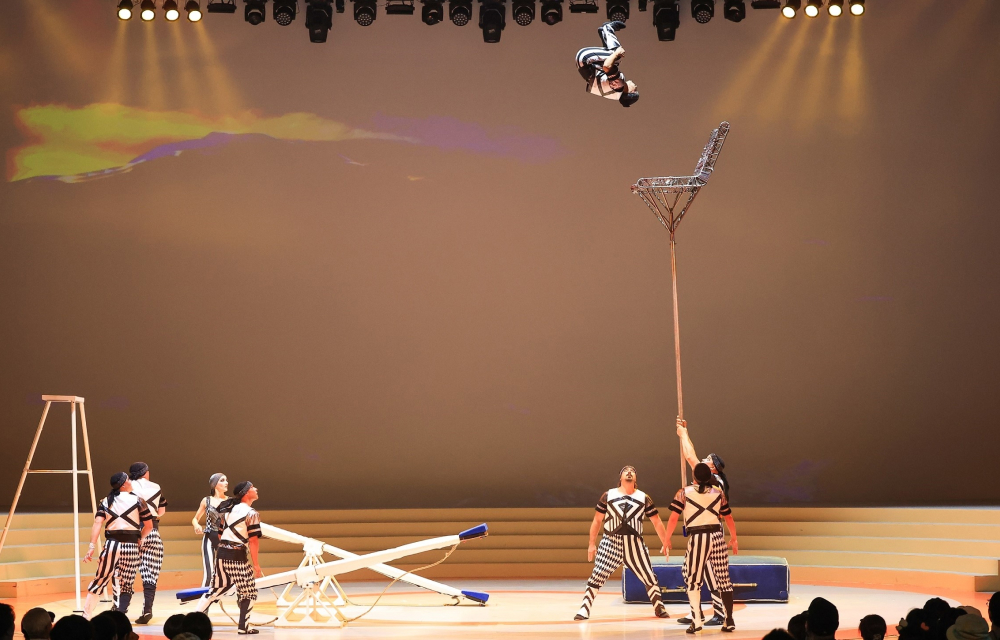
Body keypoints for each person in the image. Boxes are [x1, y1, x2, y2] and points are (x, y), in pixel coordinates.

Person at [574, 466, 671, 621]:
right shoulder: (608, 495)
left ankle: (659, 606)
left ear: (636, 479)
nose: (629, 472)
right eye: (626, 470)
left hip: (635, 544)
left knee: (648, 576)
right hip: (611, 542)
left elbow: (656, 521)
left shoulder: (643, 497)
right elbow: (597, 520)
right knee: (597, 574)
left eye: (632, 471)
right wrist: (591, 543)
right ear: (620, 477)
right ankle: (584, 608)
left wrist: (665, 542)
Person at [664, 463, 738, 633]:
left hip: (698, 537)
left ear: (694, 477)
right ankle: (729, 619)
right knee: (723, 579)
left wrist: (667, 539)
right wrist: (734, 537)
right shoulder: (718, 493)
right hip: (717, 536)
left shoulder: (684, 492)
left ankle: (697, 620)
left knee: (692, 579)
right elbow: (729, 517)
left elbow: (674, 518)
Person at [676, 417, 733, 626]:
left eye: (707, 460)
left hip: (708, 531)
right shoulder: (715, 481)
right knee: (693, 571)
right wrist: (685, 434)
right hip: (706, 529)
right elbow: (692, 456)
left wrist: (683, 434)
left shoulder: (714, 481)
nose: (703, 461)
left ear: (713, 468)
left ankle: (718, 613)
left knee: (710, 573)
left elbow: (690, 457)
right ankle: (697, 613)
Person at [83, 472, 154, 618]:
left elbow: (97, 523)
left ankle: (86, 616)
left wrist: (91, 546)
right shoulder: (138, 501)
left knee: (100, 580)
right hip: (131, 546)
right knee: (127, 584)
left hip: (111, 545)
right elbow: (149, 526)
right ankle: (120, 617)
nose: (131, 481)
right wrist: (140, 538)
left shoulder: (105, 501)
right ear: (123, 484)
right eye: (128, 479)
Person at [196, 481, 263, 635]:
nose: (256, 489)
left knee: (215, 590)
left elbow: (220, 534)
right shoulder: (251, 513)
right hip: (236, 555)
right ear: (246, 493)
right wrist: (256, 565)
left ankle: (191, 620)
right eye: (253, 487)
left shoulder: (228, 510)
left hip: (222, 554)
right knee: (249, 592)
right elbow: (253, 541)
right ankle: (243, 627)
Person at [128, 462, 168, 624]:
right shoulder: (156, 487)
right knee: (150, 575)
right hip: (152, 531)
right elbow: (162, 510)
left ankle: (119, 609)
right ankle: (147, 610)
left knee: (125, 572)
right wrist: (154, 518)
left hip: (133, 532)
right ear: (145, 473)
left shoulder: (128, 486)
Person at [575, 21, 639, 108]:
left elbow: (606, 66)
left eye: (635, 89)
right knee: (613, 60)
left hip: (585, 59)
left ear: (630, 91)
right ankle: (603, 32)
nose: (636, 86)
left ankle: (608, 28)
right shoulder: (615, 92)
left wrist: (617, 53)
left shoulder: (619, 85)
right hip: (586, 65)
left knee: (617, 55)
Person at [192, 474, 229, 588]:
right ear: (215, 484)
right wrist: (196, 525)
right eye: (222, 480)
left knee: (226, 572)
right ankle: (204, 603)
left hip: (225, 540)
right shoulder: (206, 500)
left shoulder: (230, 501)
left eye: (226, 480)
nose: (226, 482)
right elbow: (195, 518)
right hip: (209, 538)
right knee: (209, 573)